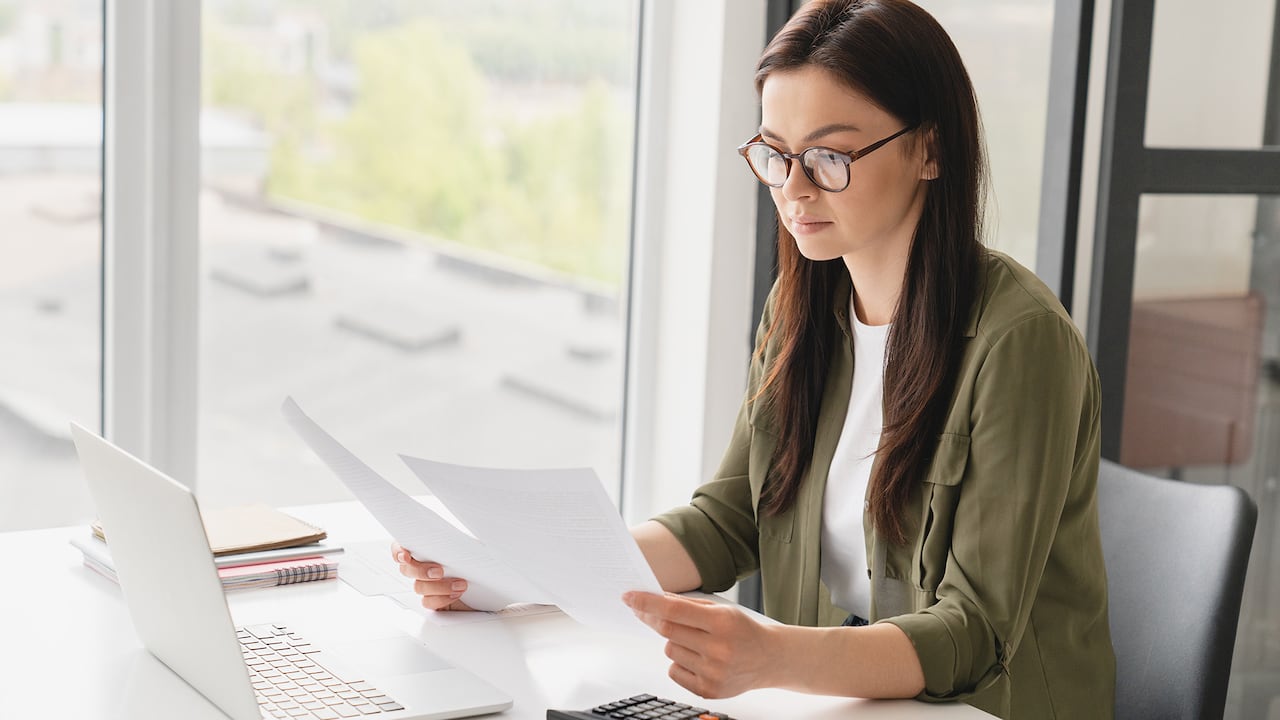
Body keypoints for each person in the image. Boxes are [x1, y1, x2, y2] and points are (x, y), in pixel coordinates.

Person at [393, 1, 1116, 717]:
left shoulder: (1019, 341)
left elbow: (974, 633)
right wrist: (509, 566)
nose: (794, 189)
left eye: (830, 157)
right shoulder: (804, 307)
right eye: (776, 154)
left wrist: (773, 654)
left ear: (929, 149)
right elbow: (730, 518)